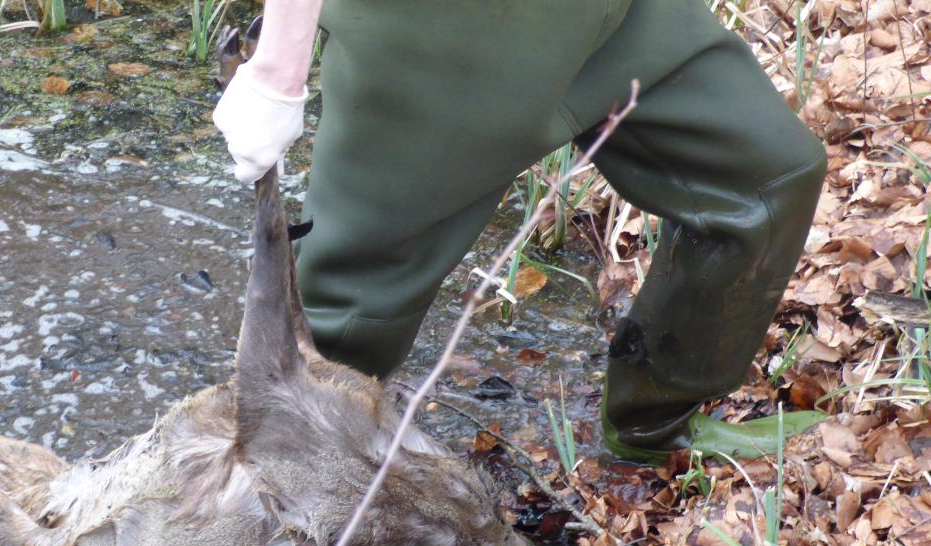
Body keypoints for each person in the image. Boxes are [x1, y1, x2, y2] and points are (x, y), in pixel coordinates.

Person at [213, 0, 828, 464]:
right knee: (345, 320)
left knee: (765, 181)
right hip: (444, 31)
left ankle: (653, 427)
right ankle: (267, 525)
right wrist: (277, 68)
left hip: (617, 15)